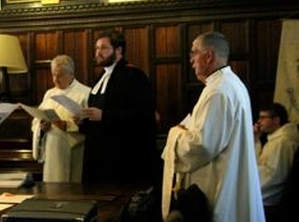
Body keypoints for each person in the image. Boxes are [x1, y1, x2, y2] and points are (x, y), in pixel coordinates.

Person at [162, 31, 264, 221]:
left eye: (194, 52)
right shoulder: (230, 83)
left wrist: (175, 133)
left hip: (221, 185)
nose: (191, 59)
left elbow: (203, 145)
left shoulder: (218, 91)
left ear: (208, 56)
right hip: (231, 179)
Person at [77, 30, 157, 185]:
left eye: (103, 48)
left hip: (121, 155)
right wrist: (83, 121)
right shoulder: (101, 76)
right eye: (96, 49)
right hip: (97, 153)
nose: (98, 53)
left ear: (118, 50)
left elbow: (144, 115)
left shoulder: (134, 76)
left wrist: (104, 116)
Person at [32, 55, 89, 182]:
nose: (56, 80)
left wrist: (69, 126)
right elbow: (37, 119)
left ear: (71, 73)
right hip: (51, 150)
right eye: (53, 75)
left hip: (72, 151)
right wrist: (42, 126)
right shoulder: (49, 94)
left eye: (60, 75)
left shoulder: (85, 93)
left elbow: (90, 124)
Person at [254, 103, 299, 209]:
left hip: (269, 198)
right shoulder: (275, 138)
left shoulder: (283, 141)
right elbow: (257, 162)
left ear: (276, 120)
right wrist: (256, 138)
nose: (259, 121)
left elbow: (275, 176)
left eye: (263, 117)